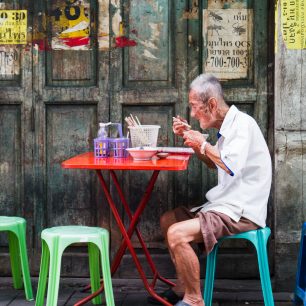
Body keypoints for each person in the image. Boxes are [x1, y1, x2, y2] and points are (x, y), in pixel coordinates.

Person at [149, 74, 272, 306]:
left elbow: (230, 165)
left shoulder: (242, 125)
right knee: (169, 220)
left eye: (195, 107)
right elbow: (214, 162)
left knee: (177, 233)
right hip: (225, 205)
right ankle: (182, 287)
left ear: (212, 104)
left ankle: (195, 300)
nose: (193, 114)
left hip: (242, 210)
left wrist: (203, 143)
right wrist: (194, 141)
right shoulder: (227, 127)